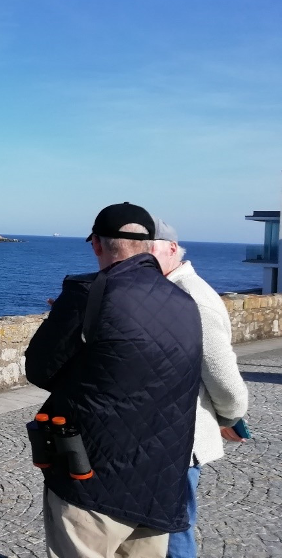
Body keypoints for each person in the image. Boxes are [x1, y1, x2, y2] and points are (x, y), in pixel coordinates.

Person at [25, 202, 203, 557]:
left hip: (92, 479)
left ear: (97, 244)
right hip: (159, 483)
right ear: (150, 244)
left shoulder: (87, 294)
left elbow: (40, 370)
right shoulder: (185, 302)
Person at [150, 219, 249, 558]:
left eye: (151, 248)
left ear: (173, 249)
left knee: (173, 528)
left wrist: (229, 416)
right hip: (165, 436)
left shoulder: (191, 296)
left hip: (181, 439)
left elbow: (222, 374)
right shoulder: (167, 289)